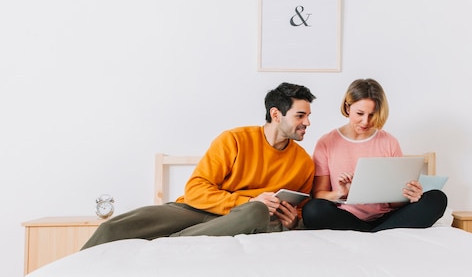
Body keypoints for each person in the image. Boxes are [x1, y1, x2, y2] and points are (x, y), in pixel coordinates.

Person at [82, 82, 316, 249]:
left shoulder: (304, 163)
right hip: (195, 211)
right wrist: (246, 201)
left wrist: (294, 220)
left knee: (258, 211)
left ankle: (169, 244)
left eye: (308, 116)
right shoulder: (234, 139)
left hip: (244, 219)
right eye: (300, 115)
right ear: (276, 114)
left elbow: (300, 211)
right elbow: (195, 189)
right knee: (112, 229)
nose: (307, 122)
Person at [302, 78, 447, 232]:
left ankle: (371, 232)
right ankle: (378, 233)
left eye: (372, 114)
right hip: (345, 217)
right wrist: (340, 193)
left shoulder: (389, 141)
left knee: (437, 198)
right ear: (347, 107)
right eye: (360, 113)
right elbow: (318, 194)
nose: (365, 121)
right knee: (312, 209)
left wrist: (410, 196)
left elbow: (394, 203)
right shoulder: (326, 142)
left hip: (385, 217)